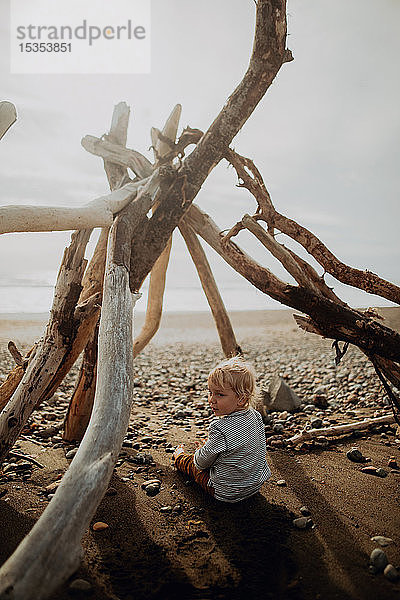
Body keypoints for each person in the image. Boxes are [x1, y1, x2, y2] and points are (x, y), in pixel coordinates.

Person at [173, 356, 271, 503]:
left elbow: (201, 463)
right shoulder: (255, 416)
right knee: (219, 452)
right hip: (255, 484)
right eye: (210, 392)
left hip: (226, 491)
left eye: (219, 394)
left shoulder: (219, 428)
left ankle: (178, 457)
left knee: (192, 464)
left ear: (241, 399)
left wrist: (201, 453)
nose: (212, 399)